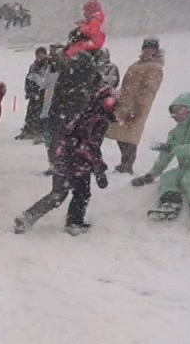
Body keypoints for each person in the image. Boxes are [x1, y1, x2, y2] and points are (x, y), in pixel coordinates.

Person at [16, 86, 116, 236]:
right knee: (82, 193)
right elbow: (89, 147)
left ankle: (28, 217)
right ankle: (74, 222)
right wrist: (99, 169)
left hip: (63, 158)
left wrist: (60, 155)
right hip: (78, 163)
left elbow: (70, 135)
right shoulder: (97, 121)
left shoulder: (85, 114)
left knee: (58, 193)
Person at [137, 92, 190, 226]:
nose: (175, 114)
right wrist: (150, 175)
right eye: (173, 110)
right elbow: (165, 158)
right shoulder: (175, 133)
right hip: (186, 167)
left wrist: (172, 148)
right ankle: (170, 204)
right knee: (167, 178)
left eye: (178, 110)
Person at [108, 39, 164, 176]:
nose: (147, 51)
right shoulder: (137, 64)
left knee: (130, 137)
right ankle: (124, 163)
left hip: (136, 107)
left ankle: (127, 165)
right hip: (124, 104)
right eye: (146, 48)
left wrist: (137, 109)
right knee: (120, 134)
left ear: (156, 51)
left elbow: (148, 91)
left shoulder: (154, 68)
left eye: (151, 49)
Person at [20, 47, 52, 140]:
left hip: (43, 93)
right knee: (31, 111)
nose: (39, 57)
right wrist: (28, 91)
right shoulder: (33, 66)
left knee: (42, 113)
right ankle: (29, 129)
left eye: (41, 54)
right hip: (33, 93)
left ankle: (41, 132)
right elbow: (28, 78)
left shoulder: (48, 66)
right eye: (37, 55)